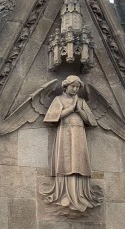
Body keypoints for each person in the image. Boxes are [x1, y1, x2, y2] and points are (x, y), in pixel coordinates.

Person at [41, 75, 102, 212]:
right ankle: (64, 194)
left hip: (79, 135)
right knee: (66, 162)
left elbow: (91, 121)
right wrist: (70, 109)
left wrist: (79, 109)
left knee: (79, 163)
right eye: (72, 86)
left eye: (77, 87)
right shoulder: (59, 99)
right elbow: (51, 117)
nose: (75, 89)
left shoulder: (80, 102)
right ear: (66, 86)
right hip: (65, 134)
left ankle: (80, 195)